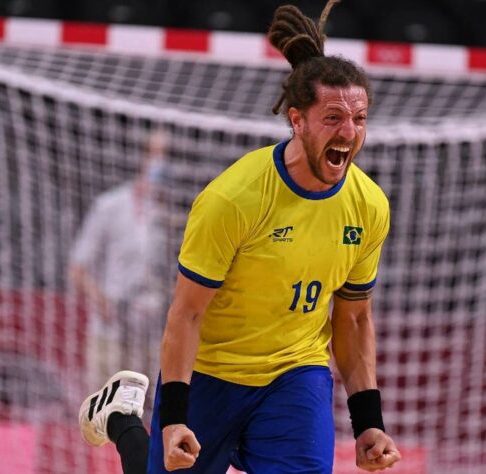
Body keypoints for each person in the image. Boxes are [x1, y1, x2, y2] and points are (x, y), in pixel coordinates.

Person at [78, 1, 402, 472]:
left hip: (295, 374)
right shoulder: (234, 199)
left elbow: (352, 320)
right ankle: (123, 418)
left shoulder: (369, 205)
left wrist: (368, 421)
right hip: (212, 372)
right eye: (333, 117)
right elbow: (186, 313)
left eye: (360, 118)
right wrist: (172, 419)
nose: (349, 131)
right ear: (297, 120)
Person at [69, 131, 168, 416]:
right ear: (142, 159)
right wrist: (104, 303)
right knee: (106, 415)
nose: (162, 164)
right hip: (110, 330)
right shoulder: (110, 206)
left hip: (151, 334)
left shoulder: (169, 213)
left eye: (166, 156)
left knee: (149, 418)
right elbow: (78, 268)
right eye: (156, 154)